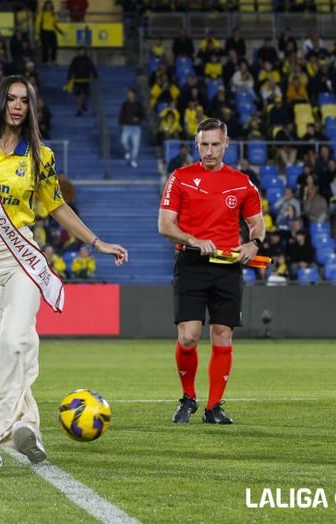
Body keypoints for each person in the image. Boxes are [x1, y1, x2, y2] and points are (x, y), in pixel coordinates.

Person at [0, 75, 129, 467]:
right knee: (3, 348)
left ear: (31, 107)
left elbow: (57, 207)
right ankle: (25, 426)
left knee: (17, 338)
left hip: (20, 256)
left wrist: (96, 242)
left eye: (24, 100)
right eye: (11, 98)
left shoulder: (41, 156)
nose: (17, 106)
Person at [158, 118, 265, 425]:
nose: (209, 151)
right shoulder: (180, 177)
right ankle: (188, 398)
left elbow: (257, 224)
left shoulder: (242, 183)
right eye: (203, 144)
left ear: (226, 144)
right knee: (189, 337)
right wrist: (193, 240)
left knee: (223, 335)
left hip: (228, 267)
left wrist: (254, 244)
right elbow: (165, 225)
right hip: (191, 263)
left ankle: (214, 407)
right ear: (196, 144)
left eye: (215, 144)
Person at [66, 46, 98, 117]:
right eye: (80, 51)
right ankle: (79, 110)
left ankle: (83, 104)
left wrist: (95, 75)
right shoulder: (75, 60)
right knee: (78, 95)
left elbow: (92, 67)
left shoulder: (87, 60)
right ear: (77, 52)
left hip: (85, 80)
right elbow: (71, 69)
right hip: (77, 80)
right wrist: (69, 78)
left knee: (85, 94)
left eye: (83, 51)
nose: (81, 52)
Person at [118, 88, 145, 168]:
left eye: (130, 93)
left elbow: (142, 114)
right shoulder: (125, 104)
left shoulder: (138, 104)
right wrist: (120, 124)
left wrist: (138, 118)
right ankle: (128, 151)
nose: (128, 95)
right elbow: (121, 114)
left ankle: (133, 160)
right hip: (127, 126)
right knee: (123, 141)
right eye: (128, 94)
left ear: (134, 94)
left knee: (136, 145)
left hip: (136, 127)